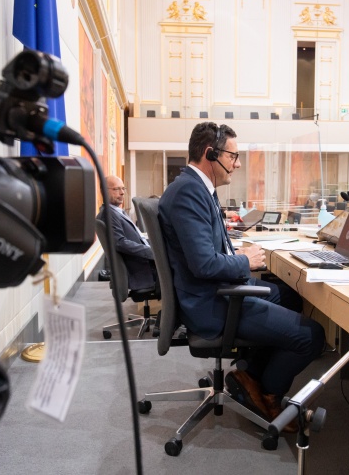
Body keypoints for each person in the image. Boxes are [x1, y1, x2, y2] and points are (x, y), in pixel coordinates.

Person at [158, 122, 325, 431]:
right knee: (312, 336)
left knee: (289, 296)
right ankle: (269, 395)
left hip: (215, 292)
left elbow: (205, 251)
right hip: (213, 304)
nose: (236, 164)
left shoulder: (195, 189)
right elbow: (204, 265)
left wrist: (239, 259)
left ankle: (249, 375)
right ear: (211, 153)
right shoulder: (188, 193)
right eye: (233, 157)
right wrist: (244, 262)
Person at [97, 175, 156, 291]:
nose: (122, 192)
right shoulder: (109, 214)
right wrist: (152, 252)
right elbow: (120, 243)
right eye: (116, 189)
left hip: (144, 267)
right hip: (144, 272)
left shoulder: (116, 211)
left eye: (123, 188)